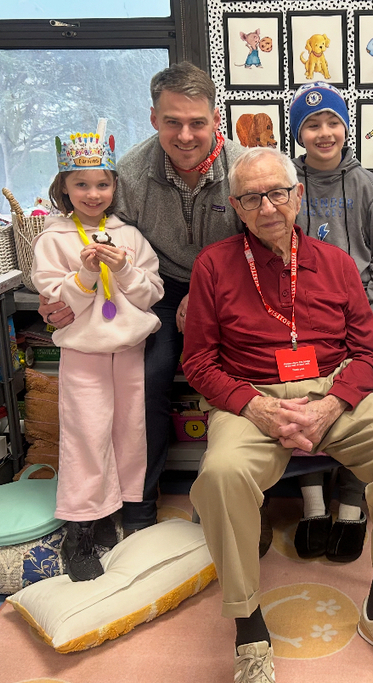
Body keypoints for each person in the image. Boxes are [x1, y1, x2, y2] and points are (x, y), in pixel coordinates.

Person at [183, 147, 373, 683]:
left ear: (298, 195)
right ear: (236, 206)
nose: (267, 206)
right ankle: (249, 631)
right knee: (221, 475)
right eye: (252, 197)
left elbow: (368, 355)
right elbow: (199, 362)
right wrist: (255, 406)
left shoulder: (337, 262)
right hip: (251, 396)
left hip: (334, 389)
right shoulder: (214, 265)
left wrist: (332, 404)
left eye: (277, 192)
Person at [38, 62, 244, 534]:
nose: (186, 134)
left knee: (244, 372)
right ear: (154, 119)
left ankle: (237, 498)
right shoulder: (127, 173)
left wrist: (208, 290)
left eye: (198, 122)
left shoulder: (241, 166)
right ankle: (140, 503)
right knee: (148, 381)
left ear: (217, 118)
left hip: (230, 285)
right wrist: (57, 297)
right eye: (173, 121)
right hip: (157, 290)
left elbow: (258, 238)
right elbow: (102, 232)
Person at [30, 120, 165, 580]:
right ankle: (81, 529)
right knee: (86, 435)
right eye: (81, 184)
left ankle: (119, 516)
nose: (93, 193)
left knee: (130, 434)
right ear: (64, 188)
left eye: (102, 183)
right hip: (83, 354)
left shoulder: (129, 236)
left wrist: (124, 270)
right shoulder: (54, 239)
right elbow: (54, 298)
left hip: (128, 349)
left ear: (114, 186)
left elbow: (152, 293)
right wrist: (85, 277)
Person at [287, 81, 373, 562]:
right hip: (299, 318)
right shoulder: (286, 183)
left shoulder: (365, 182)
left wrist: (372, 316)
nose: (324, 132)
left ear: (346, 127)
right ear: (299, 133)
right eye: (312, 124)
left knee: (356, 402)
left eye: (333, 121)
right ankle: (313, 504)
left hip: (358, 319)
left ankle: (351, 507)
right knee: (304, 398)